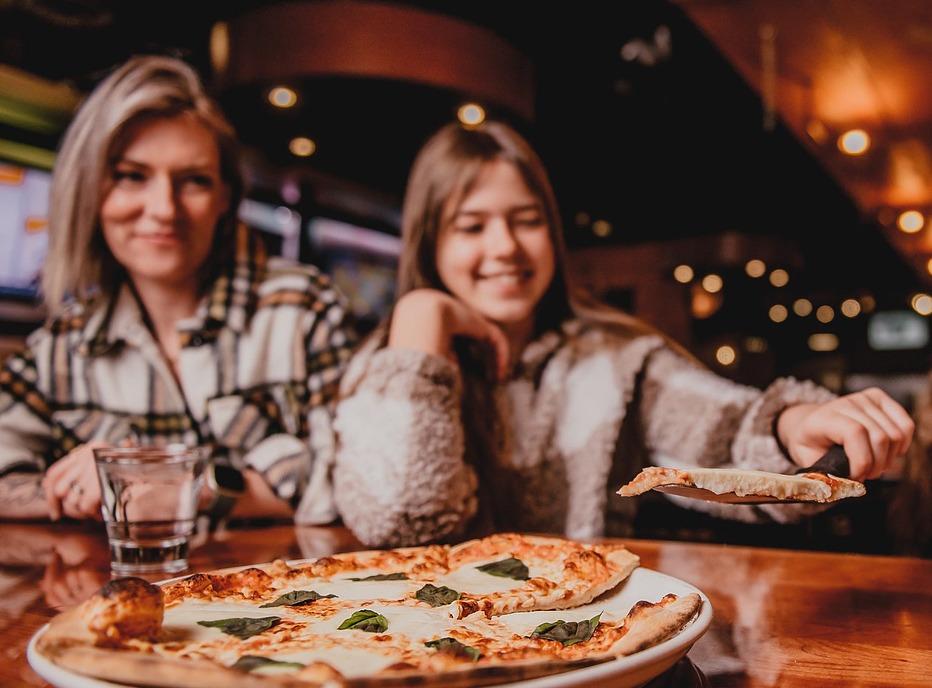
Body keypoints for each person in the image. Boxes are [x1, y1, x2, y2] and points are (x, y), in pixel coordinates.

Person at [333, 121, 914, 547]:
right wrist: (421, 316)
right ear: (430, 244)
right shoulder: (386, 367)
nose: (505, 247)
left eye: (527, 220)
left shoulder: (612, 357)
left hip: (585, 639)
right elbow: (403, 520)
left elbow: (723, 426)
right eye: (471, 226)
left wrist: (794, 426)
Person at [0, 56, 354, 524]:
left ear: (224, 198)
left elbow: (353, 488)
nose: (163, 208)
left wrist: (185, 487)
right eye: (132, 176)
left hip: (287, 591)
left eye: (194, 181)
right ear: (90, 190)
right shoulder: (64, 342)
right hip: (121, 593)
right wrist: (94, 486)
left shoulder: (302, 308)